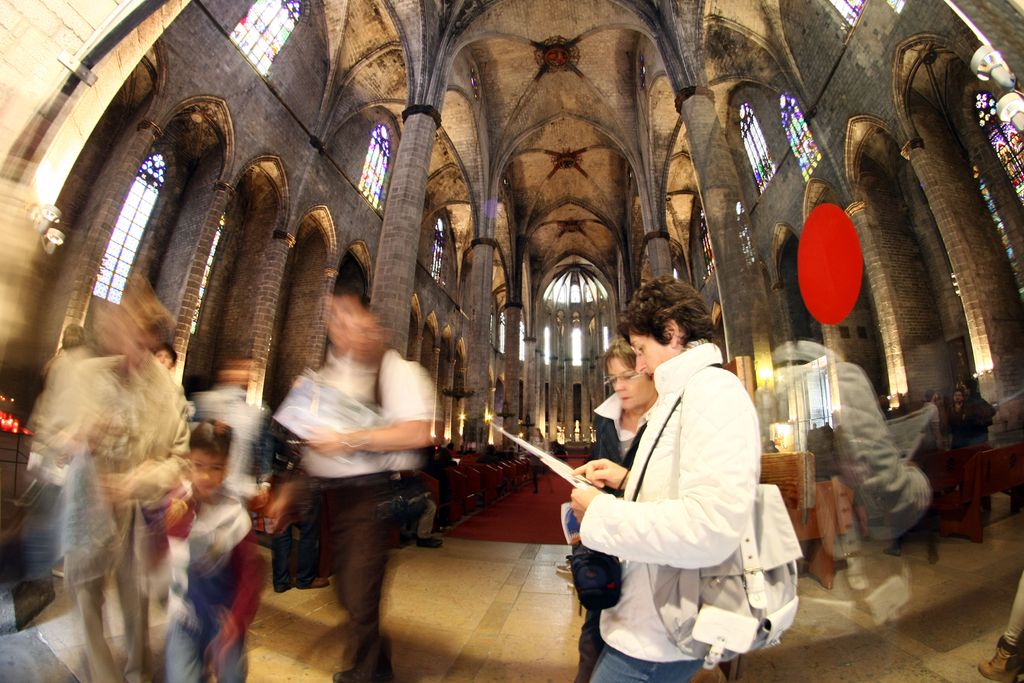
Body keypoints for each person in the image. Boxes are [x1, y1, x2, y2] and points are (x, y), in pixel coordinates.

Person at [570, 276, 760, 683]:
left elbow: (712, 526)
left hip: (662, 629)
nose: (638, 366)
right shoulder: (681, 394)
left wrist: (600, 514)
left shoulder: (714, 390)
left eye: (641, 350)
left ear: (672, 333)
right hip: (647, 612)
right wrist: (626, 479)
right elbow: (677, 483)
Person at [273, 283, 434, 683]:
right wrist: (289, 490)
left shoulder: (393, 368)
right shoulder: (328, 375)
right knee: (344, 590)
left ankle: (369, 674)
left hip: (370, 498)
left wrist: (349, 438)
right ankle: (375, 663)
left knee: (360, 593)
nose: (339, 326)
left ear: (369, 321)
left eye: (348, 315)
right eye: (333, 318)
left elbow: (416, 433)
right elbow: (311, 444)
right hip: (329, 498)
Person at [59, 279, 190, 683]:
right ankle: (102, 676)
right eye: (115, 323)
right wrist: (79, 437)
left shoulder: (168, 393)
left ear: (147, 335)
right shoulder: (86, 375)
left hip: (136, 513)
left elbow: (178, 459)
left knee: (134, 601)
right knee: (86, 597)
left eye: (129, 326)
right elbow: (54, 434)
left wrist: (139, 479)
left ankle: (137, 672)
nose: (116, 332)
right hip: (86, 506)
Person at [574, 338, 658, 683]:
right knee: (591, 635)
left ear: (648, 371)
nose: (620, 386)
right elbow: (599, 464)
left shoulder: (666, 417)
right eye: (613, 379)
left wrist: (625, 481)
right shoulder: (605, 418)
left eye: (627, 376)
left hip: (651, 548)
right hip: (607, 548)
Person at [164, 421, 264, 683]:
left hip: (225, 616)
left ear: (226, 469)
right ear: (189, 464)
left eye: (215, 468)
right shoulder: (179, 505)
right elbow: (167, 540)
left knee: (232, 675)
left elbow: (250, 575)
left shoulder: (235, 517)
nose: (206, 476)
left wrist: (238, 618)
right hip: (185, 614)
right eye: (199, 466)